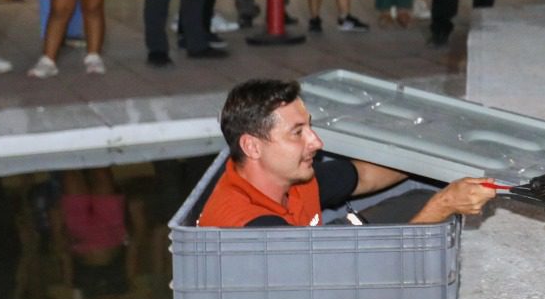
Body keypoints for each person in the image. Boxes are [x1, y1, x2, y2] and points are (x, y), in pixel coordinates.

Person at [198, 78, 498, 228]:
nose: (315, 142)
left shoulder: (285, 179)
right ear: (252, 146)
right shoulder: (252, 229)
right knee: (432, 206)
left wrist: (437, 154)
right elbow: (357, 287)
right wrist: (444, 204)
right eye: (297, 132)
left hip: (312, 263)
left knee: (418, 197)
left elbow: (363, 177)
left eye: (310, 127)